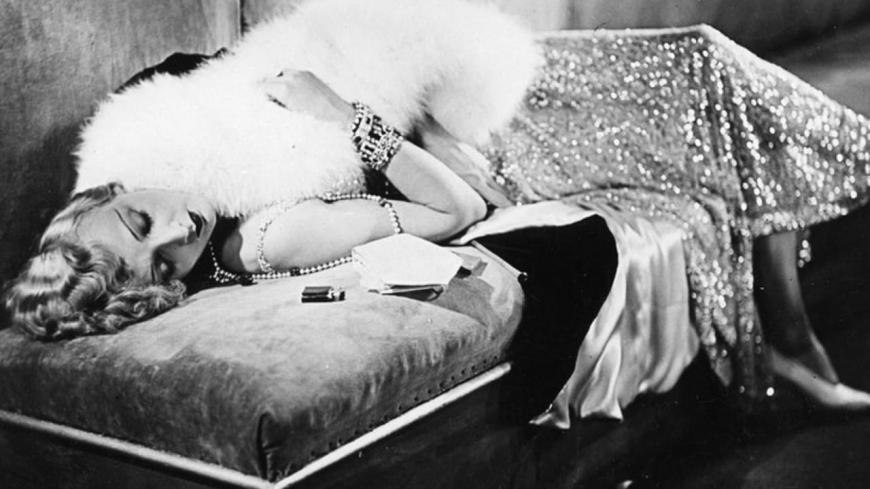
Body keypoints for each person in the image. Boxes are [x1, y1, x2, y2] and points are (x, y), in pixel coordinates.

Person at [3, 10, 870, 415]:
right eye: (162, 269)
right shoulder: (266, 235)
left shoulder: (173, 124)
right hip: (496, 149)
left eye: (142, 222)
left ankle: (787, 334)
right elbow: (458, 207)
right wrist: (343, 114)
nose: (177, 235)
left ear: (114, 186)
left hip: (462, 88)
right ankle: (790, 338)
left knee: (709, 65)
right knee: (710, 86)